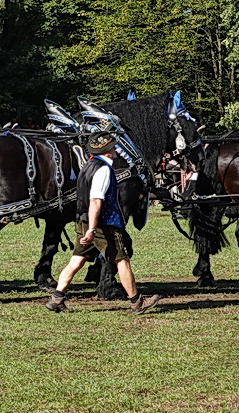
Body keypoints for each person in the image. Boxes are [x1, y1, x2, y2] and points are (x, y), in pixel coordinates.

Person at [47, 133, 161, 314]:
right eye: (113, 147)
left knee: (77, 260)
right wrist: (93, 229)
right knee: (122, 260)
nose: (116, 149)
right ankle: (137, 302)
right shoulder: (103, 170)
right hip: (102, 224)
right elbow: (95, 201)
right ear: (107, 151)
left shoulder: (88, 166)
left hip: (84, 220)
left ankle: (56, 299)